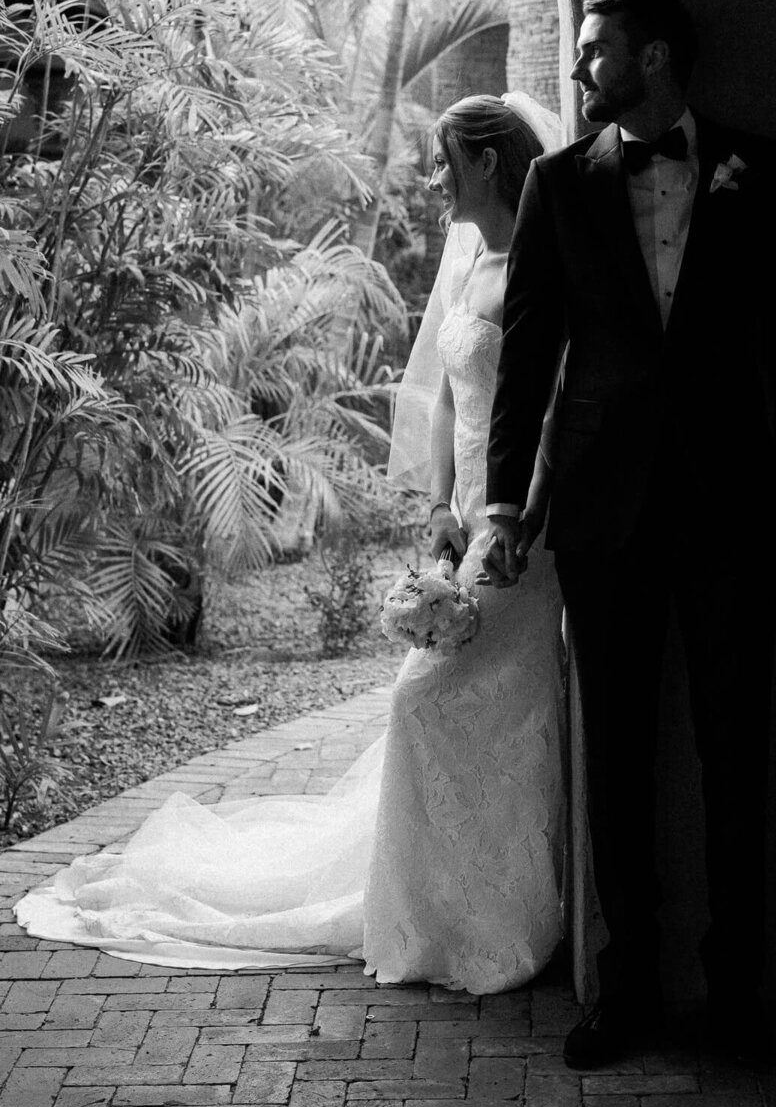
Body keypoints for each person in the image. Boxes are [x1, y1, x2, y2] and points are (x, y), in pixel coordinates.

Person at [16, 94, 568, 995]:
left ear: (490, 166)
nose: (434, 182)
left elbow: (547, 418)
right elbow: (443, 403)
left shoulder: (545, 270)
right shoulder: (467, 265)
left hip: (521, 536)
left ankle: (490, 911)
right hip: (465, 521)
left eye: (445, 165)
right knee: (451, 710)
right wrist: (439, 510)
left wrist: (516, 518)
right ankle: (443, 905)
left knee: (437, 706)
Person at [485, 0, 776, 1067]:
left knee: (736, 754)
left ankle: (736, 995)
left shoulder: (757, 169)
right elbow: (527, 355)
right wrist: (503, 503)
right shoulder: (555, 184)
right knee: (617, 754)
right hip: (603, 513)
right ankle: (624, 990)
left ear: (659, 59)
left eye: (598, 52)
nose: (582, 72)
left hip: (733, 510)